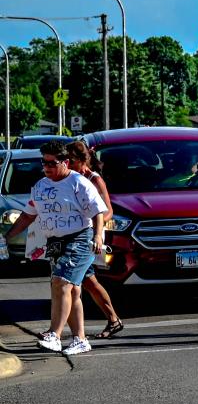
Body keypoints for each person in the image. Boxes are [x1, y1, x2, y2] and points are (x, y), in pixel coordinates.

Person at [4, 141, 109, 356]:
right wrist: (7, 236)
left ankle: (55, 334)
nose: (47, 167)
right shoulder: (40, 186)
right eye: (44, 162)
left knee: (62, 282)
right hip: (56, 243)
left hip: (80, 238)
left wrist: (98, 235)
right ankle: (80, 339)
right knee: (71, 290)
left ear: (65, 162)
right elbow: (27, 216)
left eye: (52, 162)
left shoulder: (79, 183)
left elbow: (98, 211)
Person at [62, 141, 125, 339]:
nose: (68, 164)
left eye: (71, 161)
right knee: (85, 280)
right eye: (66, 161)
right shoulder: (70, 178)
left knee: (74, 280)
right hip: (73, 235)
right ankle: (112, 320)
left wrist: (92, 224)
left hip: (89, 235)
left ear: (82, 160)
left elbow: (108, 211)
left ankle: (59, 329)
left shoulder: (94, 180)